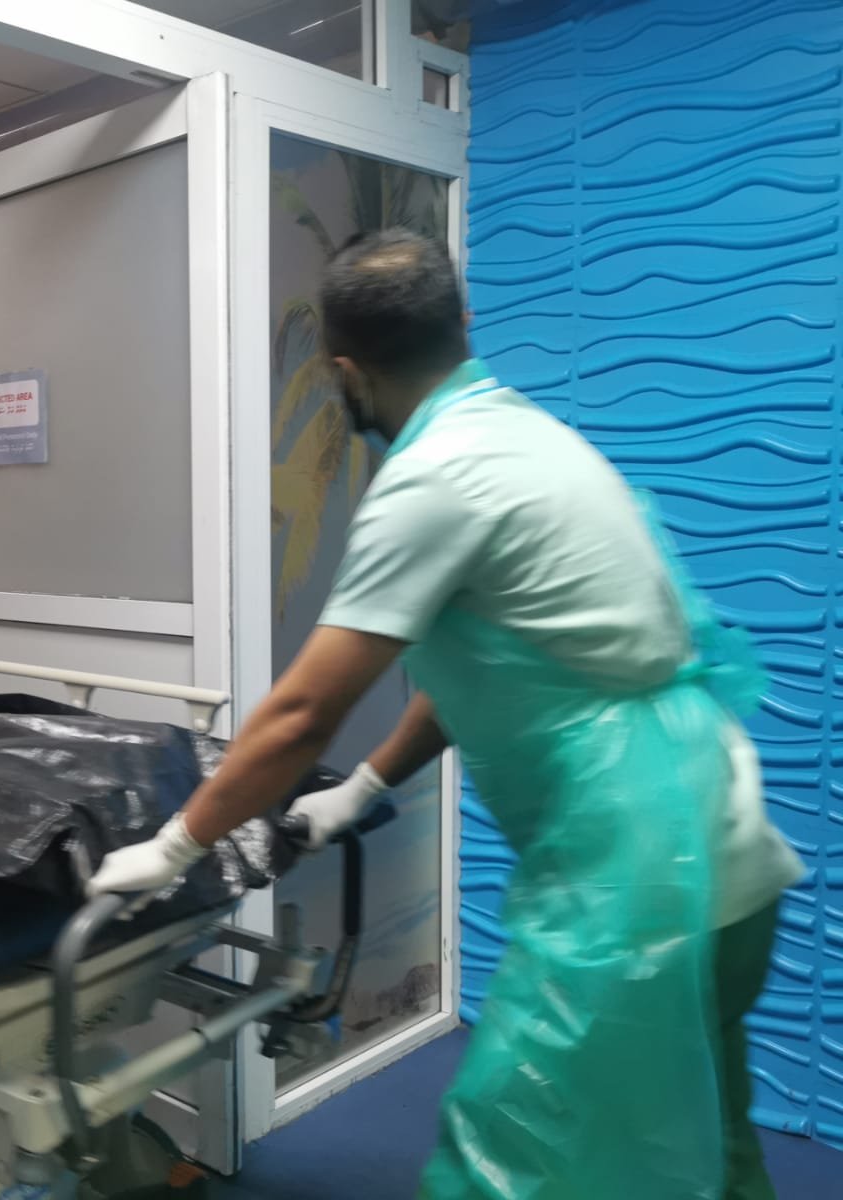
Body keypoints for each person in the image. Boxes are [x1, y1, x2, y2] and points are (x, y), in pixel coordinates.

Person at [87, 230, 803, 1200]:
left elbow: (300, 714)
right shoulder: (527, 436)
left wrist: (175, 846)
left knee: (511, 1154)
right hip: (722, 841)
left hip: (636, 876)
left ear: (343, 371)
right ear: (461, 326)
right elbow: (501, 664)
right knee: (709, 1139)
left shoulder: (430, 481)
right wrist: (365, 786)